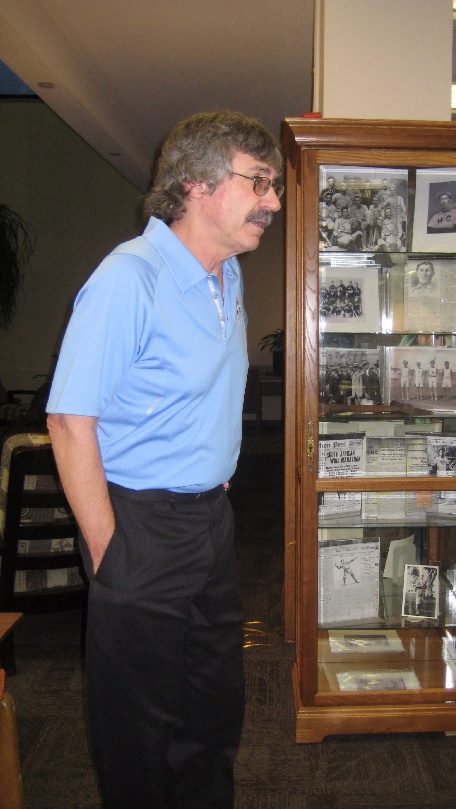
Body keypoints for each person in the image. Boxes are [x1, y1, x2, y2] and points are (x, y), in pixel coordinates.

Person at [46, 110, 283, 809]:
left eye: (272, 185)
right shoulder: (130, 278)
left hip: (209, 519)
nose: (272, 200)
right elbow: (68, 418)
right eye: (257, 182)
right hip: (141, 524)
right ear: (198, 184)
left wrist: (217, 464)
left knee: (212, 705)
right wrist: (112, 553)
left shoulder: (226, 276)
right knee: (139, 724)